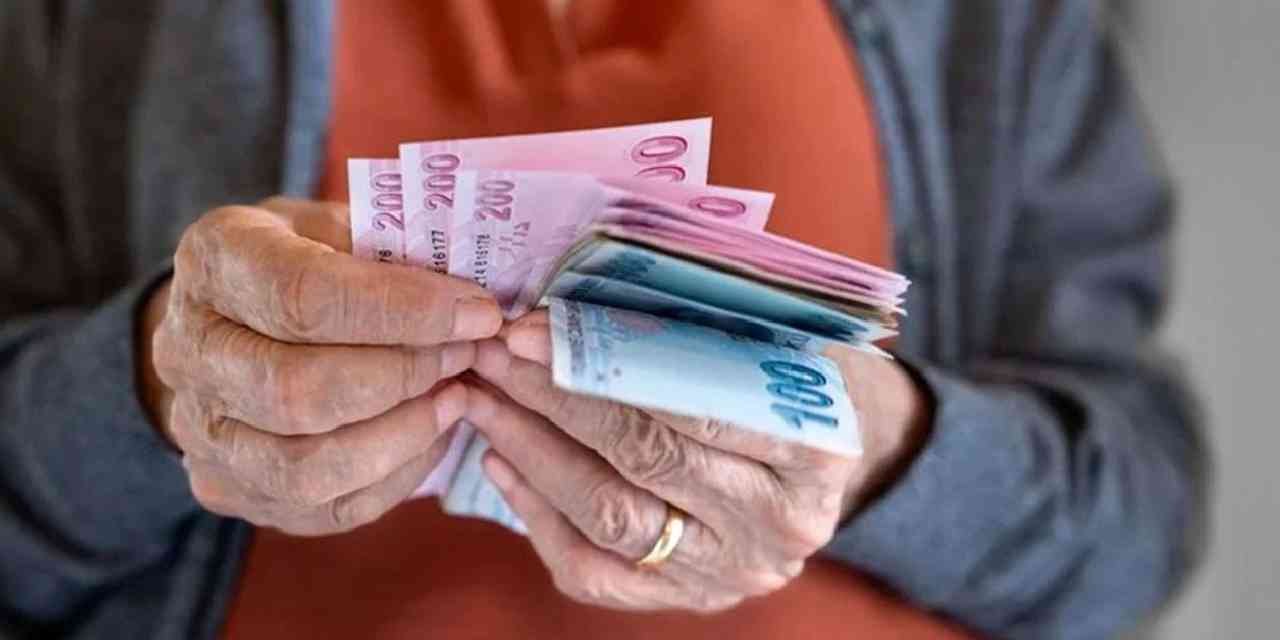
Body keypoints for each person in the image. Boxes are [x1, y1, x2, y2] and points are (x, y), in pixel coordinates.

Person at [0, 1, 1205, 638]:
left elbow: (1138, 515)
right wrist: (159, 378)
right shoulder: (93, 26)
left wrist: (888, 454)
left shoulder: (987, 22)